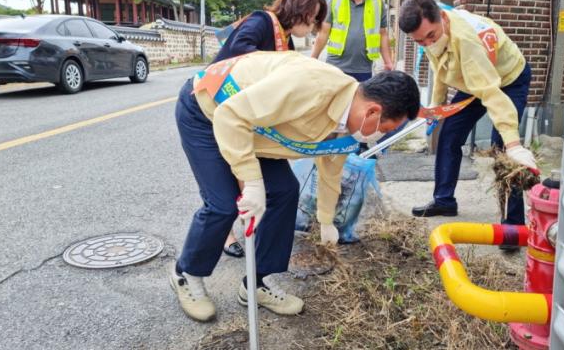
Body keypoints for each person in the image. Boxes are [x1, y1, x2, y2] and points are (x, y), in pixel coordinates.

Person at [170, 51, 421, 322]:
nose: (380, 136)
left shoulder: (348, 123)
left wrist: (326, 220)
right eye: (385, 129)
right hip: (208, 112)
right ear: (373, 111)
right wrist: (251, 181)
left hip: (255, 129)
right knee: (223, 204)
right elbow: (230, 116)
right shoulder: (310, 87)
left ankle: (256, 283)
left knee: (284, 191)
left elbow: (330, 169)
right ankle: (186, 274)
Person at [398, 0, 538, 248]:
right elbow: (440, 71)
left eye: (431, 36)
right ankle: (444, 201)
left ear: (442, 18)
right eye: (420, 41)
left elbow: (491, 93)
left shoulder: (466, 41)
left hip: (508, 79)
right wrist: (437, 108)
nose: (428, 43)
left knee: (502, 148)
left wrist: (514, 144)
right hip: (473, 82)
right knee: (449, 134)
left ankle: (513, 226)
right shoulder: (431, 36)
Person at [211, 0, 327, 258]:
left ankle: (255, 241)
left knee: (261, 180)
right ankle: (226, 235)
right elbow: (241, 50)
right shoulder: (261, 21)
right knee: (223, 181)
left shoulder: (286, 39)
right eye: (313, 18)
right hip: (220, 107)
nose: (313, 26)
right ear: (302, 8)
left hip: (248, 115)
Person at [311, 0, 394, 82]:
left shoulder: (377, 2)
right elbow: (323, 33)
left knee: (360, 95)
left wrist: (388, 62)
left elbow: (382, 34)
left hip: (364, 67)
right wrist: (313, 59)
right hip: (336, 65)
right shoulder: (335, 0)